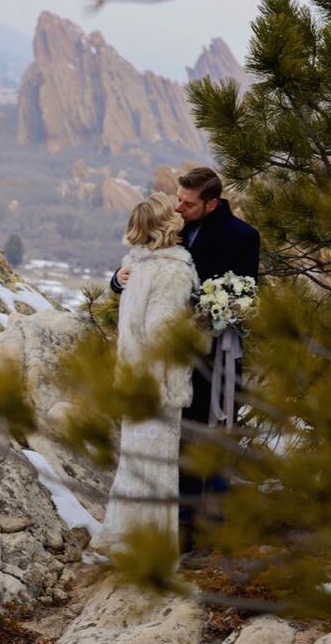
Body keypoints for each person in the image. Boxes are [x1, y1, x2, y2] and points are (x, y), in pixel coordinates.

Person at [110, 167, 260, 538]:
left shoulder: (242, 237)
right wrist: (117, 279)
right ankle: (182, 525)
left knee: (215, 435)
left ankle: (214, 524)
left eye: (187, 202)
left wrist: (213, 312)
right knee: (182, 441)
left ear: (211, 203)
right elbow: (141, 274)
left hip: (214, 357)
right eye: (177, 198)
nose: (179, 206)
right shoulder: (173, 231)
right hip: (171, 362)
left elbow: (244, 297)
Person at [92, 192, 197, 553]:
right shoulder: (173, 271)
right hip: (158, 382)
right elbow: (162, 334)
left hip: (135, 377)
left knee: (135, 464)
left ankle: (127, 537)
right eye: (173, 210)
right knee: (157, 469)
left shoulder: (137, 264)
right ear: (167, 225)